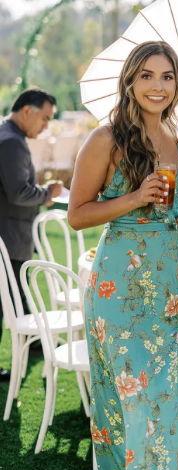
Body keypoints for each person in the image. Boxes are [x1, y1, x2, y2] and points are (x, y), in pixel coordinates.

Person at [68, 41, 178, 470]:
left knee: (166, 409)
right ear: (129, 81)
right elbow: (77, 215)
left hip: (170, 286)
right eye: (146, 75)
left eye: (167, 77)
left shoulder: (176, 138)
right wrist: (133, 197)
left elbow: (175, 209)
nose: (157, 86)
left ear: (177, 84)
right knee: (133, 412)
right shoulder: (105, 138)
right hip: (120, 289)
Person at [0, 89, 62, 380]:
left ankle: (35, 340)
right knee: (8, 297)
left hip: (10, 233)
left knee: (17, 292)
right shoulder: (11, 142)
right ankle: (33, 341)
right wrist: (47, 194)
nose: (46, 126)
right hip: (8, 234)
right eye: (45, 118)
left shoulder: (9, 136)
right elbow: (18, 192)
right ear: (27, 111)